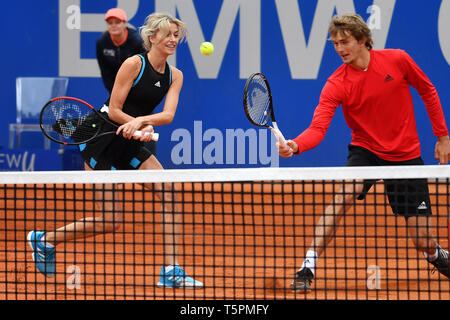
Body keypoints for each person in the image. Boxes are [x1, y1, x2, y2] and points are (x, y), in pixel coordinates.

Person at [27, 13, 203, 289]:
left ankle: (170, 270)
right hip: (102, 138)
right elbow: (116, 108)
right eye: (167, 34)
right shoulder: (134, 64)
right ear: (152, 37)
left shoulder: (175, 76)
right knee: (111, 220)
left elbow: (167, 115)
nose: (173, 39)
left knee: (169, 192)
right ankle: (45, 239)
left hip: (131, 140)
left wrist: (142, 123)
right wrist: (134, 122)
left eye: (176, 35)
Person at [277, 14, 450, 292]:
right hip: (366, 150)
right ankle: (307, 265)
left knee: (423, 241)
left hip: (406, 156)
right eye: (335, 44)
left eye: (345, 42)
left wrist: (442, 136)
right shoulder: (336, 83)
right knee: (346, 192)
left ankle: (436, 255)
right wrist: (295, 145)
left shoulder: (398, 60)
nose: (340, 49)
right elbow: (318, 128)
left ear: (363, 41)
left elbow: (428, 90)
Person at [97, 8, 157, 155]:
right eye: (110, 22)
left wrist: (135, 96)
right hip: (118, 94)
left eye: (117, 22)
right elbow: (106, 73)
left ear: (124, 24)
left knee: (144, 126)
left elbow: (147, 70)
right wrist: (117, 96)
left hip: (140, 93)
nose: (113, 25)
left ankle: (147, 168)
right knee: (115, 126)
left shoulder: (137, 42)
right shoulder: (102, 43)